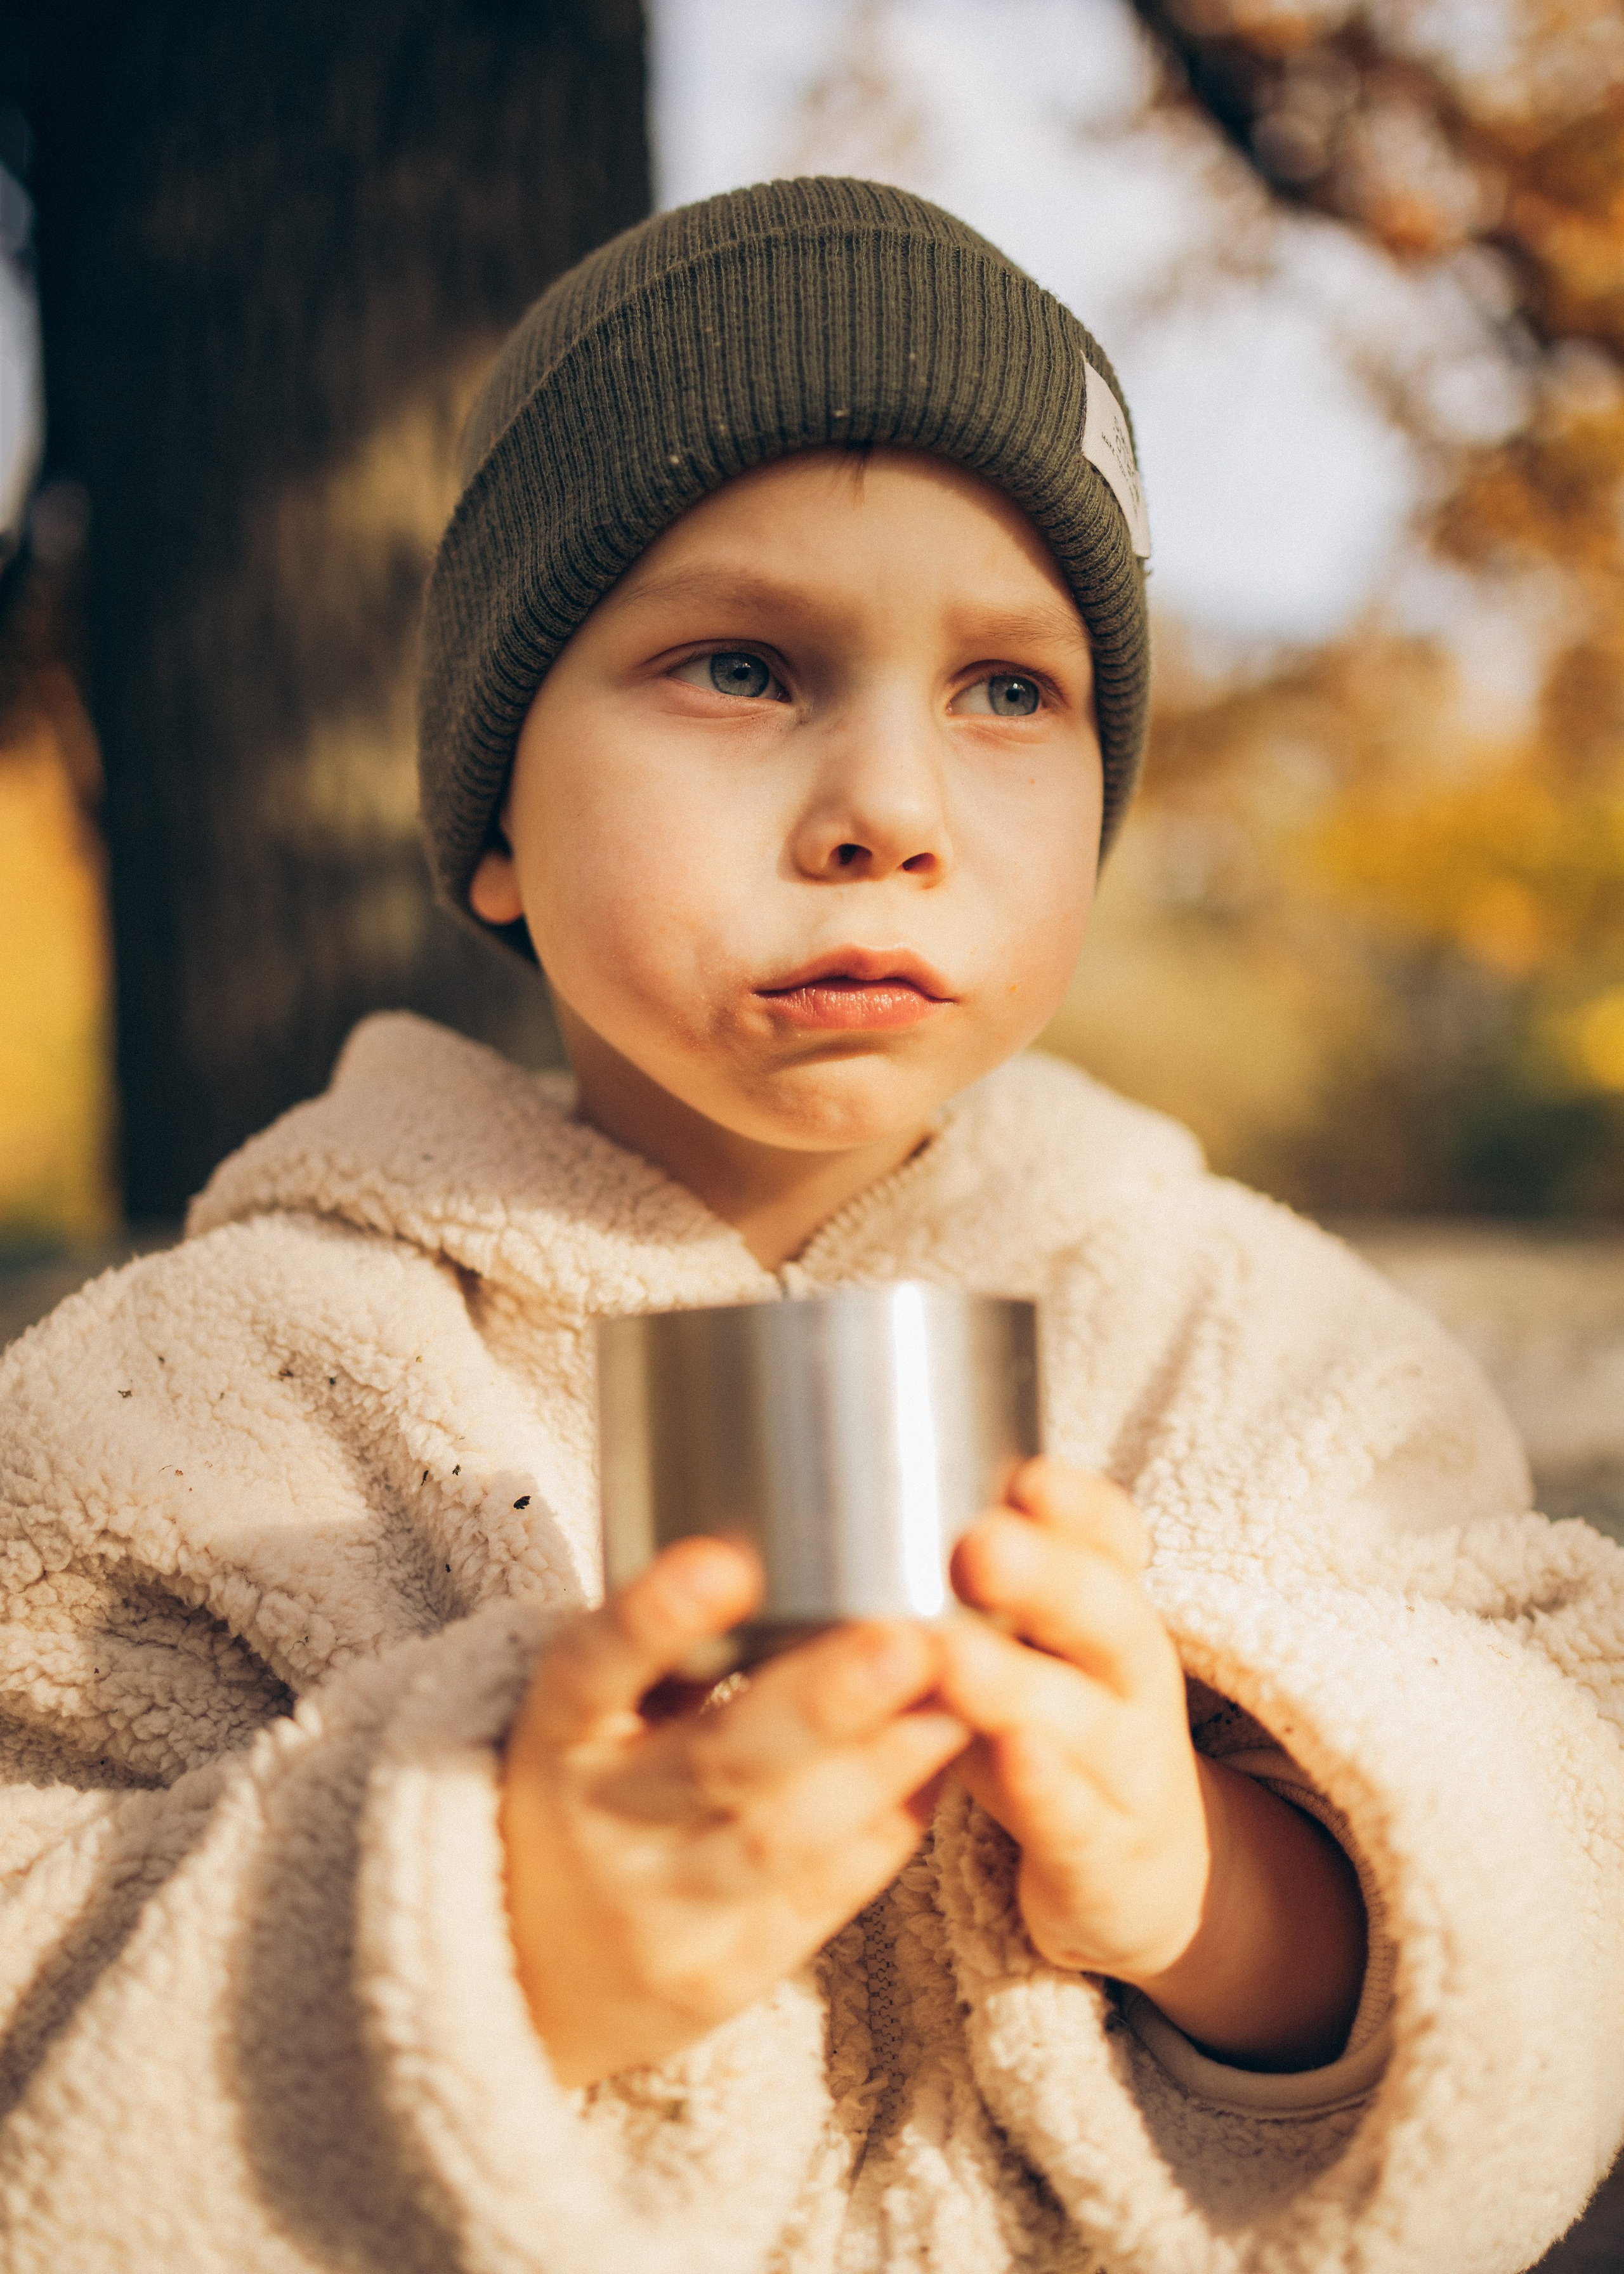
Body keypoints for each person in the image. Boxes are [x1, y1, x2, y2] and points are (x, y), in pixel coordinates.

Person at [1, 178, 1621, 2274]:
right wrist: (488, 1928)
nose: (890, 806)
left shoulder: (1272, 1353)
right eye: (744, 666)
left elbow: (1571, 1849)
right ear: (495, 818)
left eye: (1010, 693)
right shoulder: (207, 1400)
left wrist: (1220, 1886)